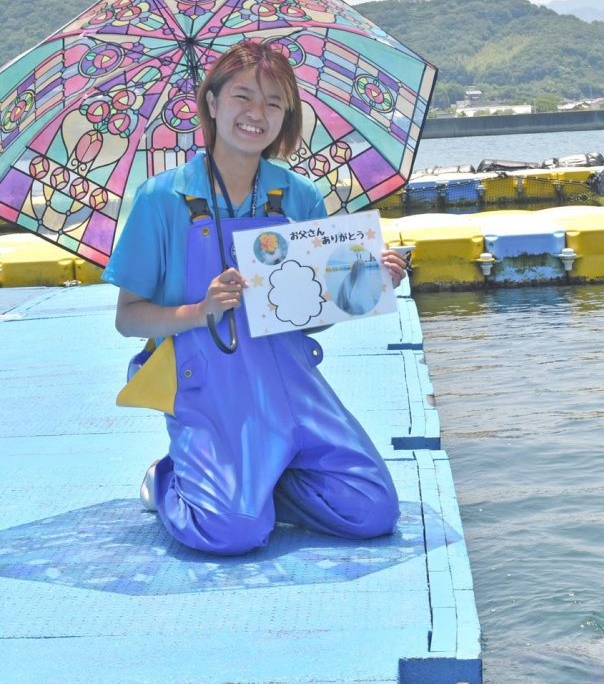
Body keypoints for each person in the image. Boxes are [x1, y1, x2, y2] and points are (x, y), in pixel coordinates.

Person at [102, 41, 406, 556]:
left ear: (286, 116)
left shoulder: (300, 196)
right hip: (210, 386)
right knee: (232, 532)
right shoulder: (162, 198)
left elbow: (308, 316)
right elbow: (129, 320)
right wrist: (199, 311)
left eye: (273, 103)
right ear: (212, 102)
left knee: (371, 509)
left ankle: (264, 485)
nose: (256, 114)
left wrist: (365, 285)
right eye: (242, 97)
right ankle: (170, 479)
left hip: (291, 383)